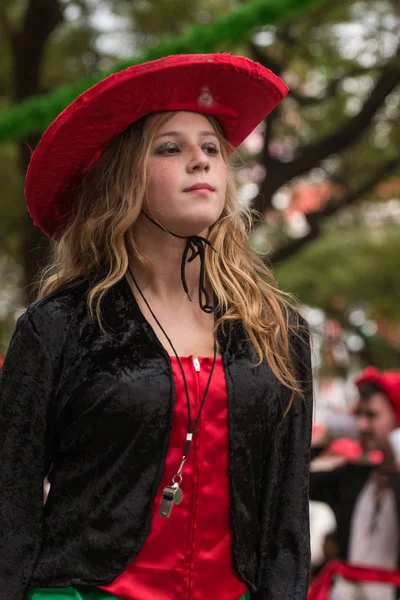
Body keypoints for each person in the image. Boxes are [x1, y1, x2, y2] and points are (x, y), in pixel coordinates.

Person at [0, 53, 313, 600]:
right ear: (124, 178)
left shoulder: (277, 329)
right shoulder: (60, 326)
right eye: (171, 147)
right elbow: (11, 497)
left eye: (212, 147)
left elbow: (287, 515)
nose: (202, 161)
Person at [310, 367, 400, 600]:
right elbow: (292, 481)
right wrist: (326, 436)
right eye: (357, 416)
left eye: (371, 416)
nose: (360, 426)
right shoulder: (352, 476)